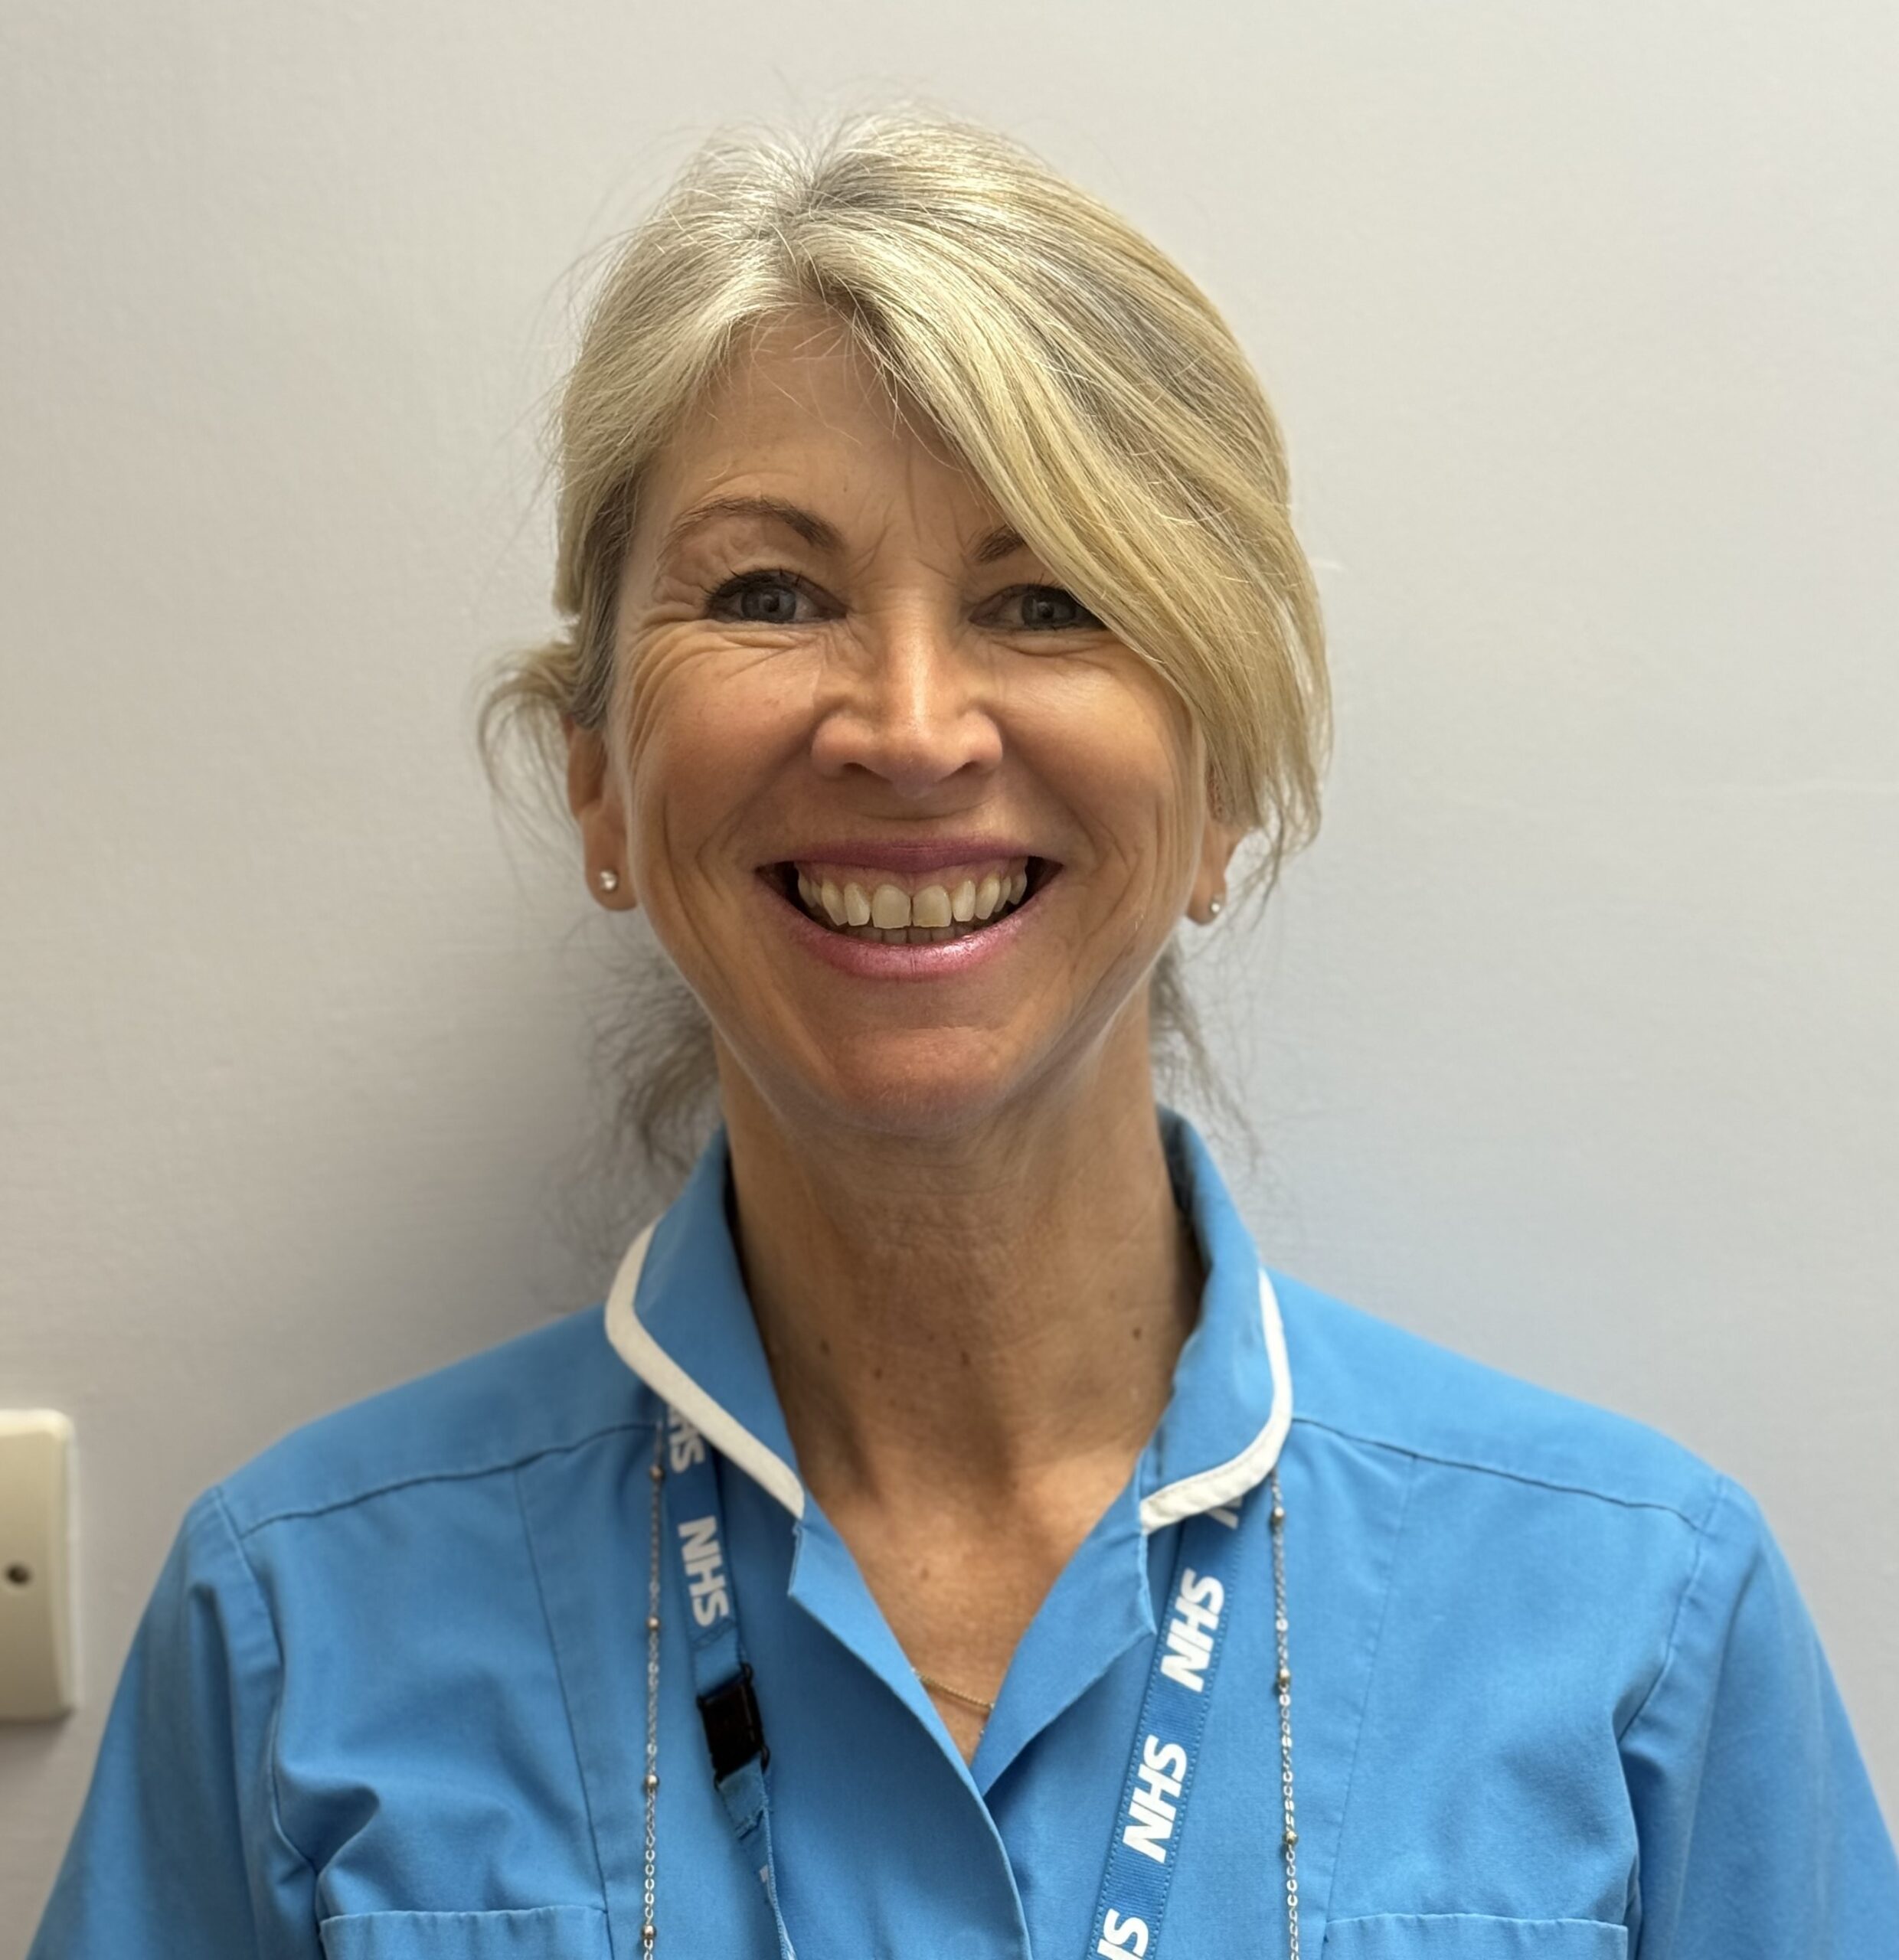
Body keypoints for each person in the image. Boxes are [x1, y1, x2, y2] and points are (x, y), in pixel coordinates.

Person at [30, 109, 1897, 1960]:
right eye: (769, 594)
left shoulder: (1644, 1629)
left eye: (1046, 599)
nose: (911, 729)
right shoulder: (287, 1634)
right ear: (598, 776)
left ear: (1224, 786)